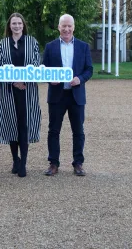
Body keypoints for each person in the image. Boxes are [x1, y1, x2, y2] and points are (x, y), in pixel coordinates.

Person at [42, 14, 93, 176]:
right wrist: (51, 80)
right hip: (57, 95)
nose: (66, 29)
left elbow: (89, 70)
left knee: (78, 131)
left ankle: (78, 163)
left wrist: (80, 79)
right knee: (53, 130)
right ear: (58, 27)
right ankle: (53, 163)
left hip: (76, 95)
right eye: (63, 26)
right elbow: (44, 69)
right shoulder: (50, 47)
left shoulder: (83, 46)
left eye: (69, 26)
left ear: (74, 27)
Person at [0, 13, 42, 177]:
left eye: (19, 23)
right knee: (11, 122)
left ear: (23, 25)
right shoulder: (3, 43)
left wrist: (24, 82)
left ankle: (24, 162)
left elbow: (36, 64)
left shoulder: (32, 42)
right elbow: (0, 65)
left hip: (27, 90)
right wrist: (14, 82)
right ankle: (15, 159)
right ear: (9, 26)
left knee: (25, 123)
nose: (16, 26)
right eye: (13, 23)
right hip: (9, 90)